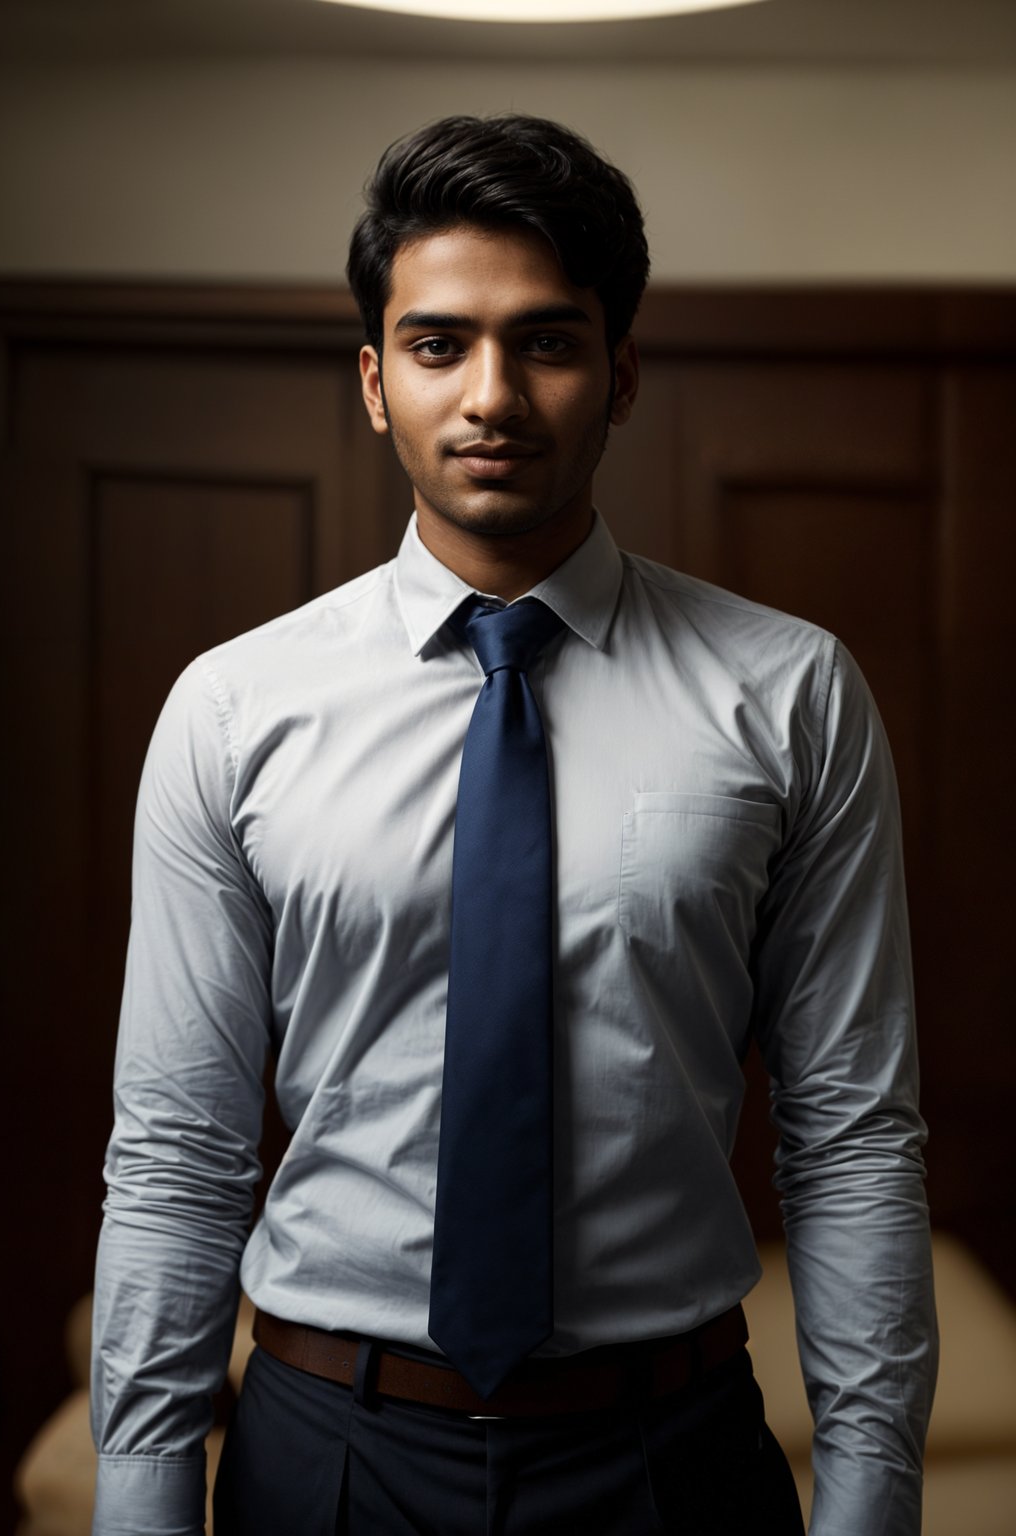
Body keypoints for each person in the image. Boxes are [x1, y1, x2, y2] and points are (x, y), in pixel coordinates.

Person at [91, 114, 937, 1536]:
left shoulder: (791, 694)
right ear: (374, 381)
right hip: (330, 1454)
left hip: (672, 1460)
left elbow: (851, 1135)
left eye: (546, 342)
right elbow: (178, 1149)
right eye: (437, 345)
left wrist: (872, 1501)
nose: (492, 394)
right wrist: (142, 1501)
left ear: (620, 376)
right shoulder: (233, 711)